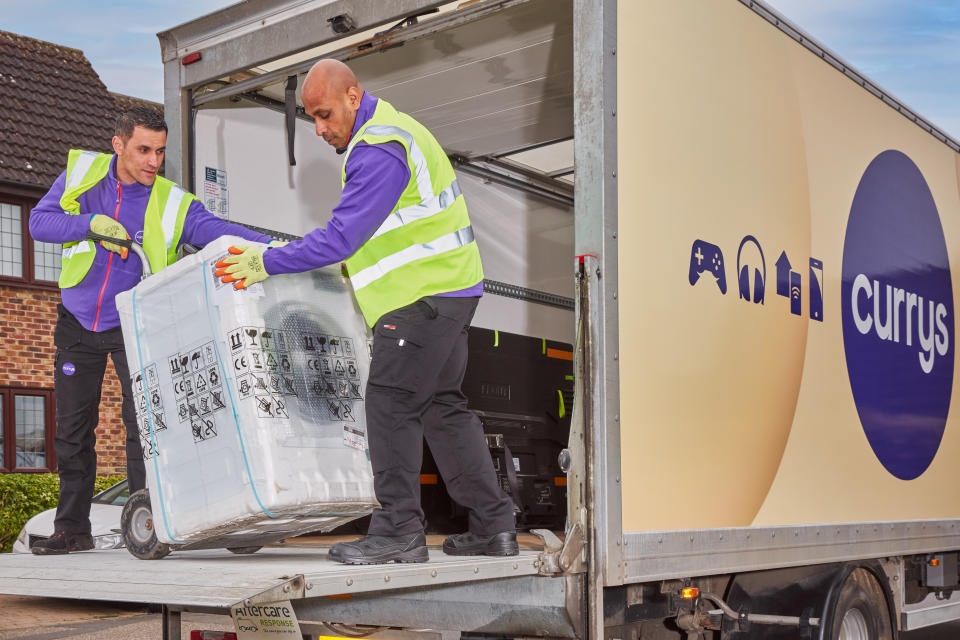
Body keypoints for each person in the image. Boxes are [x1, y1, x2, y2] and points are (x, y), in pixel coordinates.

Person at [215, 59, 517, 564]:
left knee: (390, 405)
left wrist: (267, 262)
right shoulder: (395, 133)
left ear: (354, 96)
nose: (320, 128)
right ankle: (493, 526)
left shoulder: (378, 148)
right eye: (312, 118)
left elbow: (342, 237)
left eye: (325, 114)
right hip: (447, 295)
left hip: (419, 301)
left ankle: (398, 529)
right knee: (443, 409)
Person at [29, 107, 275, 555]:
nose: (153, 161)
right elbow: (38, 223)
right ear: (118, 144)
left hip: (133, 326)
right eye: (143, 150)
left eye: (160, 152)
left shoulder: (172, 201)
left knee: (143, 429)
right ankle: (72, 530)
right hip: (77, 324)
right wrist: (88, 223)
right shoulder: (81, 175)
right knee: (72, 433)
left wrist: (276, 249)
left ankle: (147, 523)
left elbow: (217, 230)